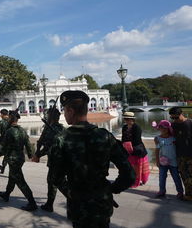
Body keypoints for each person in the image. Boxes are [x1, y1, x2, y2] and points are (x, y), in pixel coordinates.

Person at [51, 90, 135, 228]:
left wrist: (72, 193)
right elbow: (129, 174)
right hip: (102, 203)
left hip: (78, 207)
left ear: (70, 111)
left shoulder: (61, 139)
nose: (64, 114)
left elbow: (56, 177)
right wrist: (110, 189)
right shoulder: (105, 136)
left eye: (64, 110)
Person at [0, 110, 38, 211]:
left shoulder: (9, 131)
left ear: (11, 119)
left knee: (20, 181)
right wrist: (30, 155)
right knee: (12, 177)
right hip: (20, 158)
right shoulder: (22, 130)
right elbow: (28, 144)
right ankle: (6, 194)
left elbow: (3, 147)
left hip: (12, 159)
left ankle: (32, 202)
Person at [32, 106, 65, 212]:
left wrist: (38, 155)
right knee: (55, 182)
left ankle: (75, 202)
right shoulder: (62, 128)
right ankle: (49, 204)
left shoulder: (51, 130)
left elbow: (47, 147)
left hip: (55, 161)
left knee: (56, 182)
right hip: (62, 160)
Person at [153, 120, 184, 199]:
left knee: (176, 177)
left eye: (165, 128)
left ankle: (180, 192)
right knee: (162, 177)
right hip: (163, 161)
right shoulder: (158, 138)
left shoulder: (173, 138)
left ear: (169, 129)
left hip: (173, 161)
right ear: (159, 129)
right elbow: (157, 150)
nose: (163, 130)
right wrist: (157, 161)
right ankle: (162, 191)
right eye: (161, 128)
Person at [121, 111, 150, 188]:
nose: (126, 120)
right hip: (128, 150)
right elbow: (123, 138)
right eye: (125, 119)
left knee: (138, 166)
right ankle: (131, 179)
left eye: (128, 119)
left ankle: (138, 180)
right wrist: (124, 146)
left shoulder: (136, 127)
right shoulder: (124, 127)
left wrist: (130, 146)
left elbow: (137, 140)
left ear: (132, 119)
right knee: (130, 166)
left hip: (137, 150)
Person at [169, 107, 192, 201]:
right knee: (183, 175)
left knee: (191, 175)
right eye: (172, 118)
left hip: (191, 154)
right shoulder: (173, 125)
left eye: (176, 117)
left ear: (182, 114)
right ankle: (188, 194)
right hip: (180, 154)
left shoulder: (190, 123)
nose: (174, 120)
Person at [0, 109, 10, 173]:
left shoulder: (1, 122)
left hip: (4, 142)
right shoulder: (12, 120)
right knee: (8, 155)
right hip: (13, 141)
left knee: (6, 154)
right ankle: (3, 166)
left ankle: (3, 166)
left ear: (2, 114)